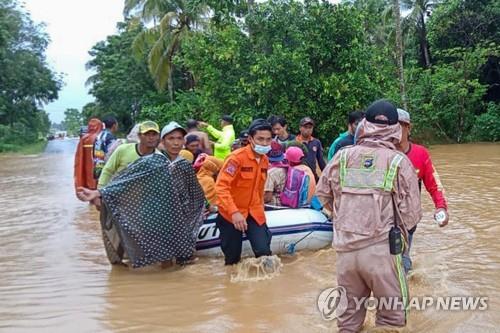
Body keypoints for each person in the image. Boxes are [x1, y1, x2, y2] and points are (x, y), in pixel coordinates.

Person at [316, 100, 422, 332]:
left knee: (348, 321)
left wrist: (345, 216)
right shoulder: (398, 162)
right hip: (382, 252)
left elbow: (322, 194)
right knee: (392, 320)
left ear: (364, 124)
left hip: (345, 252)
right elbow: (412, 214)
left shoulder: (342, 157)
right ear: (396, 128)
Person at [397, 108, 449, 273]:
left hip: (408, 219)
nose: (395, 130)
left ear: (408, 128)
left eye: (400, 126)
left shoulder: (420, 154)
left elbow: (434, 184)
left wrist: (441, 207)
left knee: (402, 263)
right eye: (391, 126)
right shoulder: (380, 153)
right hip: (382, 219)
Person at [215, 119, 273, 265]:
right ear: (250, 139)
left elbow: (259, 189)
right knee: (232, 259)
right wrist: (234, 212)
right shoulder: (236, 159)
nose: (265, 143)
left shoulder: (265, 160)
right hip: (231, 213)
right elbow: (221, 187)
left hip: (254, 212)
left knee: (264, 252)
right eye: (260, 139)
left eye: (268, 139)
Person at [98, 121, 160, 188]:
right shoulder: (123, 150)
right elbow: (108, 170)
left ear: (158, 136)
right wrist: (100, 190)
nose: (151, 138)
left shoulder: (159, 159)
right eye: (146, 134)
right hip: (117, 192)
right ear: (139, 135)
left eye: (154, 134)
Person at [74, 118, 102, 194]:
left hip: (88, 175)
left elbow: (79, 159)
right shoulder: (104, 138)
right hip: (102, 174)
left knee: (91, 196)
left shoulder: (84, 139)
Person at [296, 117, 326, 181]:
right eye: (305, 127)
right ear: (300, 128)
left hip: (313, 177)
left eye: (310, 127)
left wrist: (326, 174)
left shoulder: (316, 142)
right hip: (299, 177)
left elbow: (321, 161)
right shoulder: (295, 142)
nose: (308, 129)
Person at [264, 141, 288, 205]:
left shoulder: (270, 173)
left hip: (274, 205)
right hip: (286, 203)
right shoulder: (288, 167)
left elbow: (267, 197)